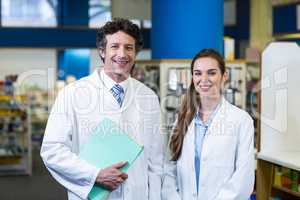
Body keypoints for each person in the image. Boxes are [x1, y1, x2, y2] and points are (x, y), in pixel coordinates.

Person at [41, 18, 163, 200]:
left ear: (136, 53)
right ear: (102, 51)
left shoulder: (149, 97)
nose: (122, 54)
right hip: (92, 194)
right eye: (114, 46)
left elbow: (156, 161)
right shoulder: (72, 94)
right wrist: (94, 174)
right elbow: (52, 150)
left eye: (129, 48)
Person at [161, 49, 254, 200]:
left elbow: (243, 179)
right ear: (192, 77)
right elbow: (169, 169)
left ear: (224, 76)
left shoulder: (241, 120)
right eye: (198, 73)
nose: (203, 79)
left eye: (211, 73)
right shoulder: (183, 117)